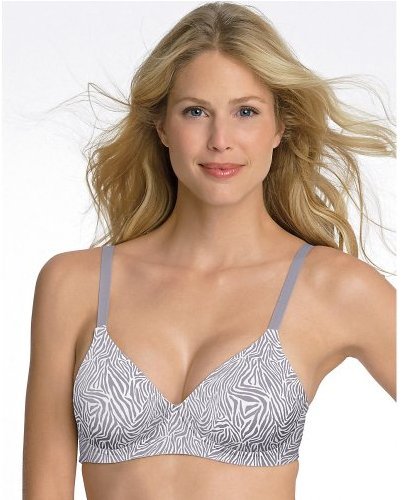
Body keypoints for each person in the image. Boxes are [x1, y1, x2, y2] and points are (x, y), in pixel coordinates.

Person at [22, 2, 396, 499]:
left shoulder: (334, 287)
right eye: (195, 111)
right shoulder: (74, 284)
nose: (220, 140)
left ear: (279, 127)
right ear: (162, 126)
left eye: (246, 112)